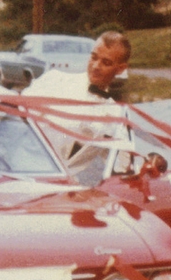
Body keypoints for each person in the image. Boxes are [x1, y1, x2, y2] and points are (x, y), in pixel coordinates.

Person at [25, 31, 132, 182]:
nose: (96, 66)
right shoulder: (54, 80)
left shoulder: (116, 116)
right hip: (19, 172)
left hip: (61, 188)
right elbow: (12, 119)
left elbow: (123, 167)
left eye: (106, 62)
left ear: (120, 68)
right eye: (93, 57)